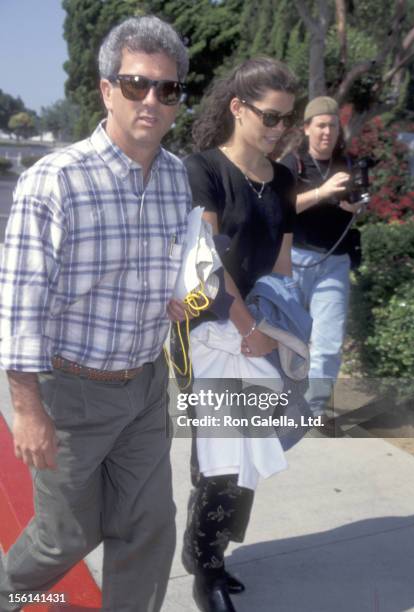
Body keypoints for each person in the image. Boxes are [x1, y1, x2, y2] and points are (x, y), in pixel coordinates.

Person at [0, 15, 191, 612]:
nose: (152, 100)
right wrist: (27, 410)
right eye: (136, 84)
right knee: (66, 537)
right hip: (72, 393)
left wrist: (183, 297)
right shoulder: (54, 182)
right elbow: (20, 307)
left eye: (167, 88)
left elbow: (176, 268)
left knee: (150, 526)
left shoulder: (178, 178)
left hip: (143, 387)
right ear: (106, 89)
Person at [180, 57, 298, 612]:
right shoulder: (202, 168)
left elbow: (280, 265)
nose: (279, 130)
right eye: (270, 118)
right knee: (224, 458)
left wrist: (272, 326)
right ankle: (205, 570)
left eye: (286, 121)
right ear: (237, 107)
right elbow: (206, 260)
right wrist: (248, 328)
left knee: (245, 458)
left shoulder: (286, 179)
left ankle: (213, 555)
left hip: (255, 330)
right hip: (209, 331)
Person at [280, 96, 363, 421]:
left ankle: (313, 410)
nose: (328, 132)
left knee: (328, 341)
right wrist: (323, 192)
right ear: (307, 128)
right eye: (321, 125)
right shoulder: (292, 164)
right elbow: (280, 208)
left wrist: (356, 206)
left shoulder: (349, 164)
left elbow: (358, 201)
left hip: (334, 262)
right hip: (294, 259)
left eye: (333, 125)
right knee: (288, 338)